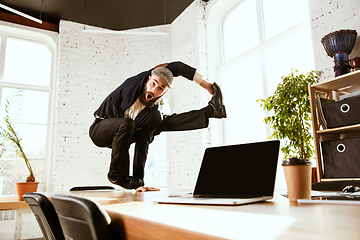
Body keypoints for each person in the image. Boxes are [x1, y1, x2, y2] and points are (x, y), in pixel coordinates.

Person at [89, 61, 226, 192]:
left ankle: (211, 111)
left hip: (123, 136)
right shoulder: (136, 82)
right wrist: (208, 86)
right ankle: (117, 175)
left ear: (164, 92)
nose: (154, 90)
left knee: (158, 121)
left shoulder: (151, 112)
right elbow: (177, 67)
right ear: (148, 79)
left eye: (160, 88)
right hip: (100, 130)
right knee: (128, 124)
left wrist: (139, 182)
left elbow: (142, 146)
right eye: (153, 84)